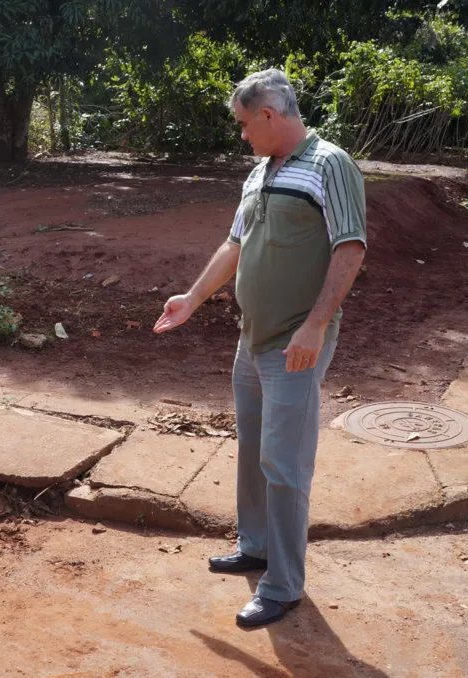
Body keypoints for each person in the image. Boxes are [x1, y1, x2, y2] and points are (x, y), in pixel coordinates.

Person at [153, 69, 367, 628]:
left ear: (270, 117)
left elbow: (351, 247)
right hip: (252, 338)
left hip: (296, 341)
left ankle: (283, 585)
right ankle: (256, 546)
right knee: (253, 447)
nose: (242, 135)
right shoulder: (258, 172)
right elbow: (236, 243)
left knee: (285, 463)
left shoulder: (330, 165)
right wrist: (193, 298)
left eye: (246, 125)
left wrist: (316, 325)